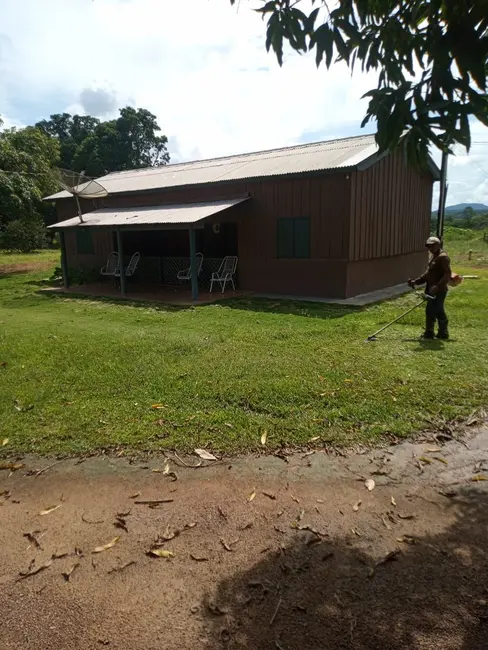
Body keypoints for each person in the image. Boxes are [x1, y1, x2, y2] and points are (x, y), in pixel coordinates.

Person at [408, 236, 452, 340]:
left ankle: (443, 333)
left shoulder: (443, 257)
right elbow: (428, 274)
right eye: (428, 246)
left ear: (438, 245)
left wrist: (438, 286)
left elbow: (447, 274)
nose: (430, 248)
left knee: (438, 310)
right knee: (429, 311)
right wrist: (416, 282)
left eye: (432, 246)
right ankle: (429, 333)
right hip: (430, 289)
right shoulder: (433, 257)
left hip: (439, 290)